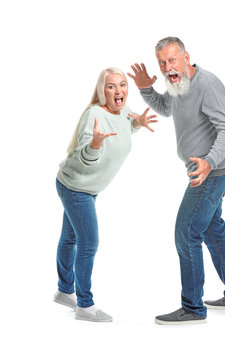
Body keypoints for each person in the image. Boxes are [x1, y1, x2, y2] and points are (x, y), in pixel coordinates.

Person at [128, 37, 225, 325]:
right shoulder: (177, 84)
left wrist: (209, 162)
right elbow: (167, 107)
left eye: (172, 60)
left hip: (212, 171)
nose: (168, 67)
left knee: (186, 232)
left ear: (186, 57)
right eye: (162, 63)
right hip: (204, 169)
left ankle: (193, 308)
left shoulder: (207, 85)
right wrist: (146, 88)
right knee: (212, 229)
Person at [54, 67, 157, 322]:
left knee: (70, 238)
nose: (118, 90)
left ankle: (64, 291)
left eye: (122, 85)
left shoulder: (123, 110)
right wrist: (95, 144)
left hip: (86, 189)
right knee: (88, 242)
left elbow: (124, 127)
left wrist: (138, 123)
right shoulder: (94, 115)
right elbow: (85, 156)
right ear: (102, 91)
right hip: (76, 187)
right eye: (111, 86)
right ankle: (84, 305)